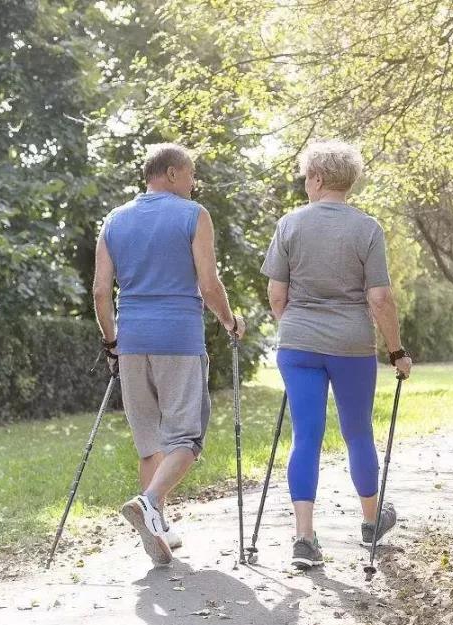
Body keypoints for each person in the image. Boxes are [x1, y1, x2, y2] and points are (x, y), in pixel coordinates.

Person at [260, 139, 413, 570]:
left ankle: (304, 538)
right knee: (358, 433)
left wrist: (295, 326)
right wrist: (397, 351)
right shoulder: (367, 229)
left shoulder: (289, 224)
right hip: (351, 345)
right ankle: (370, 523)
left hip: (299, 345)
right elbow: (380, 298)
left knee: (305, 436)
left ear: (319, 178)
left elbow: (276, 293)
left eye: (307, 176)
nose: (305, 184)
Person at [93, 143, 246, 566]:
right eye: (192, 174)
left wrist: (112, 342)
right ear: (174, 173)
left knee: (150, 442)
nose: (194, 183)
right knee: (187, 437)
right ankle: (150, 501)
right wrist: (230, 321)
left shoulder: (114, 221)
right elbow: (209, 283)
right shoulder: (193, 215)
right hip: (178, 339)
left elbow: (101, 291)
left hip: (132, 342)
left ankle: (156, 533)